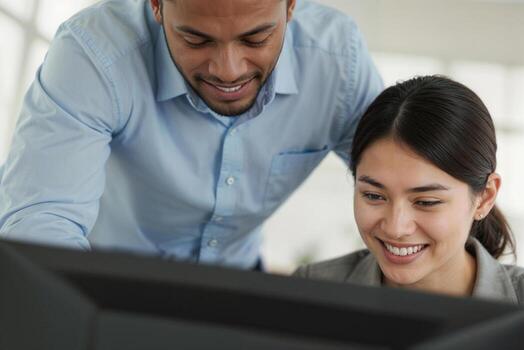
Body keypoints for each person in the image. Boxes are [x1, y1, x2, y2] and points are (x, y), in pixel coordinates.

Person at [0, 0, 383, 269]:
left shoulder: (337, 61)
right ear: (156, 6)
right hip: (103, 278)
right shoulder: (94, 54)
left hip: (238, 279)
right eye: (197, 40)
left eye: (255, 39)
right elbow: (42, 223)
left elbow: (405, 181)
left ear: (290, 6)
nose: (228, 70)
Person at [294, 75, 524, 303]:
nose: (395, 228)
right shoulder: (310, 292)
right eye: (374, 196)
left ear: (485, 197)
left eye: (426, 202)